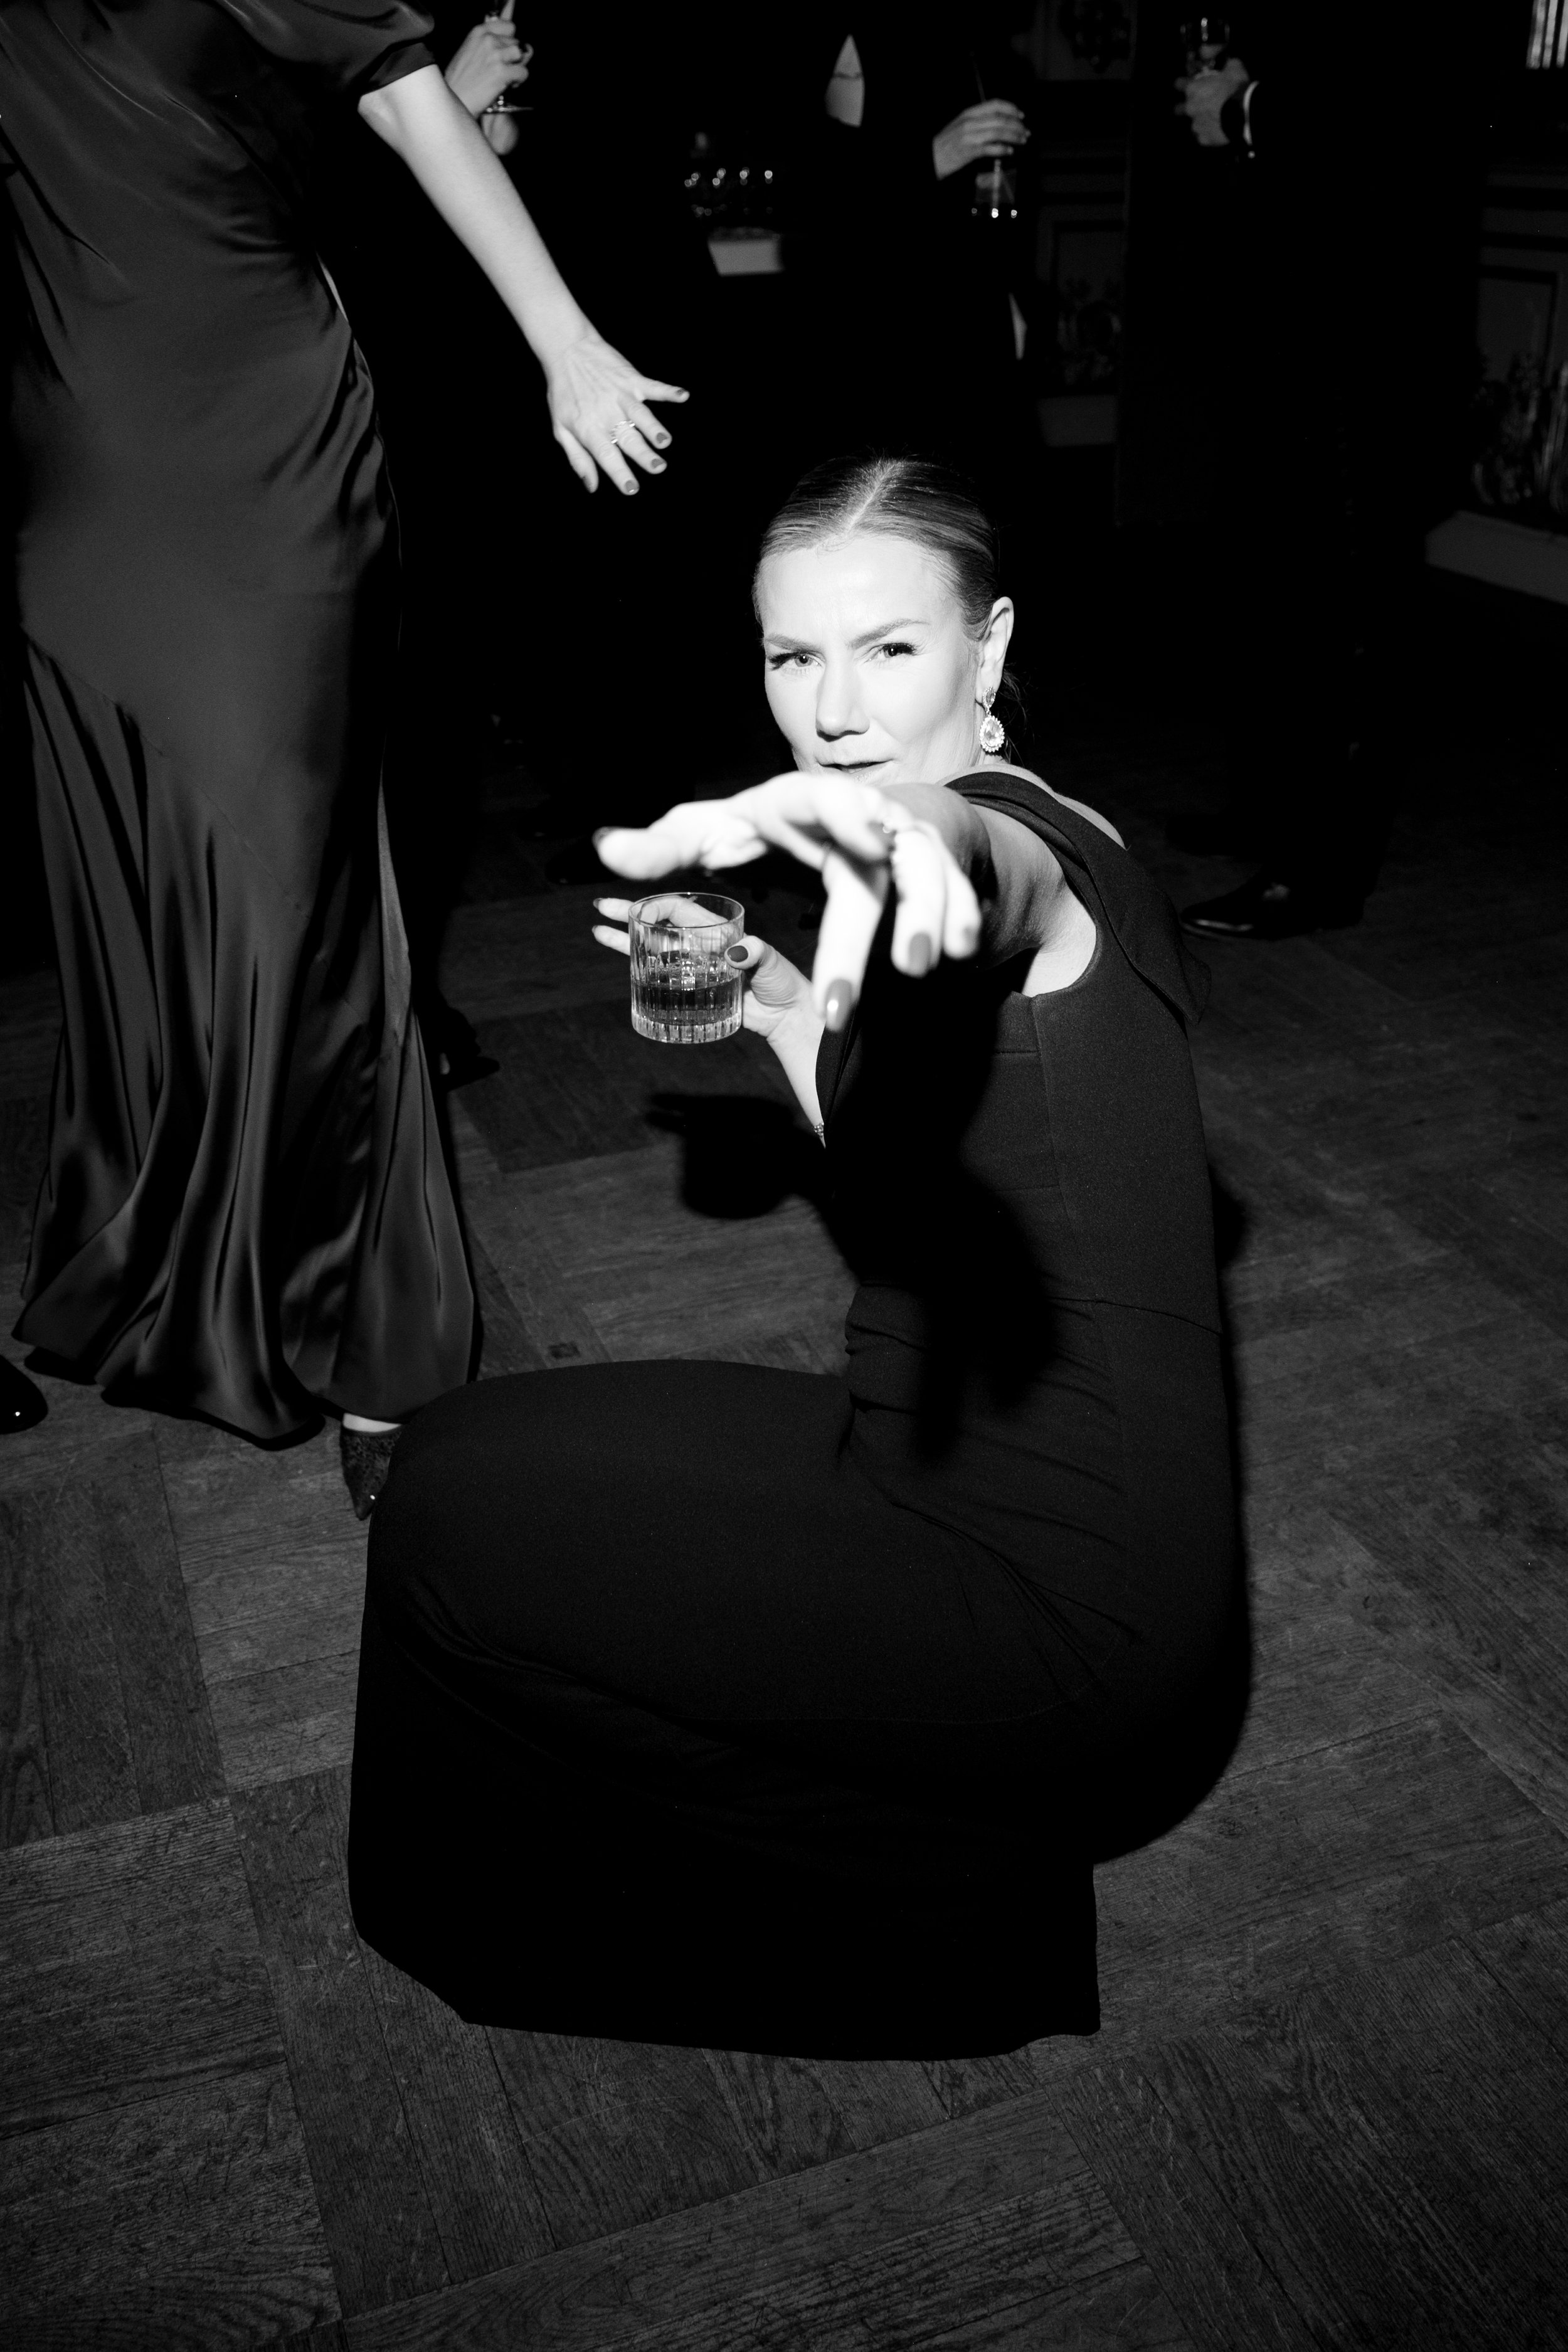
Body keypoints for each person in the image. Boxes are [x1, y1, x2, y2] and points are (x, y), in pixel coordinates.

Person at [347, 455, 1247, 2055]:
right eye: (789, 656)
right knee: (452, 1468)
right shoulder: (1008, 857)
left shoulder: (1018, 856)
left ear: (991, 642)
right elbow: (921, 1154)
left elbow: (981, 873)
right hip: (921, 1461)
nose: (828, 708)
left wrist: (906, 839)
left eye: (888, 649)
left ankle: (926, 1914)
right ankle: (923, 1844)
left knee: (453, 1550)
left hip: (1065, 1606)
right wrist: (778, 1011)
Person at [0, 2, 685, 1499]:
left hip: (261, 457)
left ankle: (389, 1345)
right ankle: (165, 1266)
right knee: (133, 890)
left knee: (294, 908)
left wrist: (565, 345)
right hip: (67, 478)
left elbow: (415, 105)